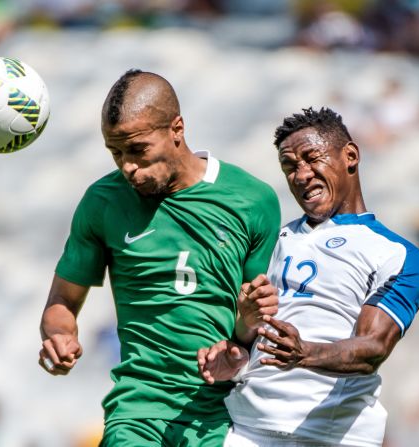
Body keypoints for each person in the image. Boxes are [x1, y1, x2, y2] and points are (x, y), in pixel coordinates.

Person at [37, 69, 281, 446]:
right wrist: (59, 336)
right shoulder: (102, 202)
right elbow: (62, 302)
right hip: (137, 412)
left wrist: (244, 328)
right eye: (115, 152)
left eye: (138, 149)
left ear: (177, 129)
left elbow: (250, 322)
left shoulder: (252, 200)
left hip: (221, 413)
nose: (127, 165)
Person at [197, 107, 419, 446]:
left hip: (332, 435)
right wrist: (237, 348)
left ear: (350, 156)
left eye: (311, 158)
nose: (301, 174)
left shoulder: (398, 255)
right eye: (289, 167)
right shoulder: (276, 240)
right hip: (247, 429)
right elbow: (252, 335)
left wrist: (305, 353)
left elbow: (373, 348)